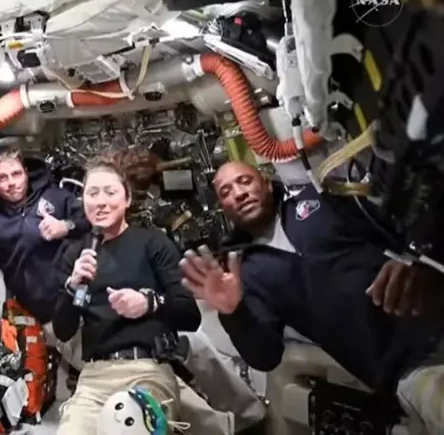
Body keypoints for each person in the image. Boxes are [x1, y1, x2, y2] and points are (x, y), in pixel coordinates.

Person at [180, 161, 444, 434]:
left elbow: (395, 224)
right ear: (224, 208)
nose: (238, 193)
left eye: (245, 181)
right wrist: (232, 312)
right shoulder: (245, 271)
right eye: (226, 192)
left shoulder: (318, 201)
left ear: (267, 183)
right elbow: (265, 356)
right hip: (407, 367)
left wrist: (418, 260)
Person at [51, 155, 201, 434]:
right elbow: (62, 329)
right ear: (83, 201)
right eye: (92, 193)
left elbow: (190, 314)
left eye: (110, 192)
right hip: (94, 376)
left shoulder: (153, 243)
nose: (101, 201)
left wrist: (149, 303)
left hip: (148, 371)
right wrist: (73, 286)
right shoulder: (74, 254)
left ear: (128, 199)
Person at [0, 148, 91, 369]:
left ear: (26, 172)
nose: (11, 182)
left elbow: (90, 219)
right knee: (91, 369)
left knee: (118, 361)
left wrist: (65, 226)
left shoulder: (54, 197)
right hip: (52, 316)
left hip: (89, 296)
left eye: (16, 174)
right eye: (2, 177)